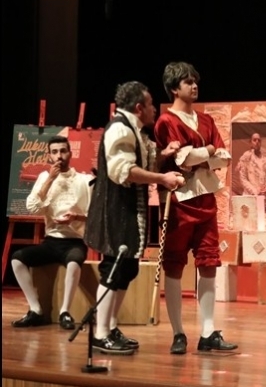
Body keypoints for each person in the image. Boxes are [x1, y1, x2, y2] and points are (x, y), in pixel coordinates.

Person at [85, 81, 185, 355]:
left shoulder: (134, 130)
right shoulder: (120, 128)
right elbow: (125, 171)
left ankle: (111, 326)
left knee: (127, 269)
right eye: (151, 104)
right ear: (139, 107)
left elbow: (143, 161)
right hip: (115, 210)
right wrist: (162, 178)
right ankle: (100, 333)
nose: (154, 109)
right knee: (114, 268)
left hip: (128, 210)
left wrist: (164, 156)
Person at [153, 61, 238, 355]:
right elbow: (182, 160)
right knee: (175, 264)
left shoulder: (206, 120)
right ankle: (178, 332)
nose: (194, 86)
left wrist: (202, 154)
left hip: (205, 199)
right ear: (174, 88)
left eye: (195, 81)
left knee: (209, 262)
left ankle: (208, 332)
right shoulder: (166, 122)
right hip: (178, 201)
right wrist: (207, 152)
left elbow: (223, 156)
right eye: (188, 82)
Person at [10, 135, 93, 330]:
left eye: (63, 151)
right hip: (51, 241)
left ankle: (65, 312)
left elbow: (95, 216)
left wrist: (76, 217)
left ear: (70, 154)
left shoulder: (84, 180)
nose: (59, 156)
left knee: (74, 261)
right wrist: (50, 179)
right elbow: (32, 208)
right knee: (17, 259)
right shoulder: (44, 178)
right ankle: (35, 309)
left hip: (74, 241)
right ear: (49, 156)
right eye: (54, 152)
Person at [236, 132, 266, 197]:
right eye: (254, 140)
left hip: (262, 196)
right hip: (249, 196)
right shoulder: (246, 158)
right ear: (250, 143)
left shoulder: (264, 160)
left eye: (259, 140)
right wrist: (255, 191)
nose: (257, 142)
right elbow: (243, 178)